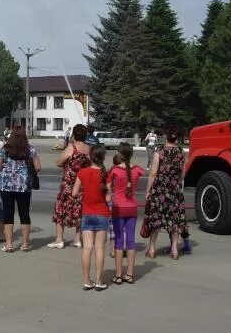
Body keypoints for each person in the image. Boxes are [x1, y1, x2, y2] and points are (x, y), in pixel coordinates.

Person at [0, 126, 41, 252]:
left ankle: (9, 244)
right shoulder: (30, 149)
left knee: (8, 215)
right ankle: (25, 244)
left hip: (7, 186)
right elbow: (38, 167)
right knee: (24, 214)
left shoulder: (5, 149)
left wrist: (7, 167)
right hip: (24, 186)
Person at [143, 125, 186, 260]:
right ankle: (174, 250)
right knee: (174, 220)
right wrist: (176, 182)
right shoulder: (180, 152)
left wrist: (148, 190)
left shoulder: (159, 151)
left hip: (159, 190)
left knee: (156, 218)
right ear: (176, 138)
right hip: (174, 190)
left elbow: (153, 172)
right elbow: (183, 173)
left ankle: (152, 249)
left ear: (166, 137)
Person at [72, 144, 111, 291]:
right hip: (102, 213)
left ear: (90, 156)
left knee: (87, 247)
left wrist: (85, 190)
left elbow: (74, 193)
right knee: (99, 248)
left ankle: (87, 280)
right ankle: (99, 280)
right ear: (103, 157)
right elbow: (108, 199)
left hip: (87, 213)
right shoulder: (105, 174)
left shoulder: (82, 172)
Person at [108, 143, 144, 284]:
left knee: (118, 241)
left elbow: (108, 186)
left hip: (118, 207)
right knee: (130, 241)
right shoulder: (137, 170)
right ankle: (129, 274)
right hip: (132, 207)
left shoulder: (115, 170)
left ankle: (118, 274)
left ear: (119, 154)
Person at [49, 124, 90, 249]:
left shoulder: (71, 148)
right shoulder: (89, 149)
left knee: (61, 210)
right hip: (83, 184)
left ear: (74, 135)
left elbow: (58, 162)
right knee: (79, 210)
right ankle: (78, 239)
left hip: (68, 183)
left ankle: (59, 239)